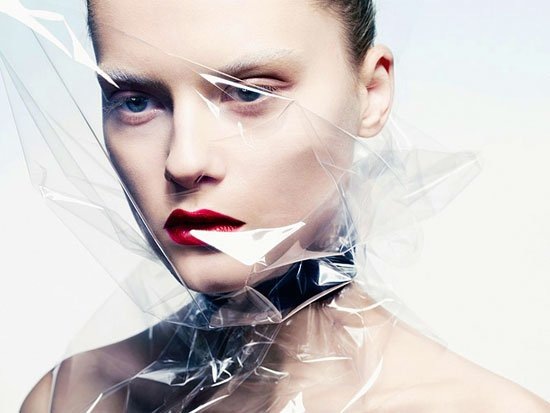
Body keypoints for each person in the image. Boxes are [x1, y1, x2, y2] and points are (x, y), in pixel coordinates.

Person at [4, 0, 548, 411]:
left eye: (249, 93)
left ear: (370, 93)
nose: (183, 161)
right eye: (136, 102)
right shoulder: (74, 398)